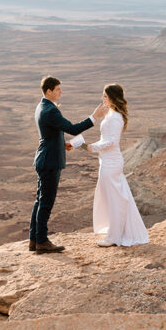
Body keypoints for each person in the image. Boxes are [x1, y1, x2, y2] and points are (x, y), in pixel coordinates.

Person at [30, 76, 106, 254]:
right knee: (46, 203)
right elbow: (72, 128)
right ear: (48, 91)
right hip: (49, 161)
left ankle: (34, 239)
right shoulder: (50, 110)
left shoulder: (42, 106)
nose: (61, 92)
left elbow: (50, 133)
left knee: (39, 201)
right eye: (57, 89)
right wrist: (94, 117)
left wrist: (62, 144)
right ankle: (41, 241)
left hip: (44, 158)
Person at [83, 83, 149, 247]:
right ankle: (116, 231)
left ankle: (114, 237)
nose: (102, 99)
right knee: (113, 197)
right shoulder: (111, 115)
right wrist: (92, 146)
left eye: (104, 96)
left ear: (112, 98)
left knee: (114, 199)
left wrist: (93, 147)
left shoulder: (115, 117)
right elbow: (107, 139)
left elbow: (111, 141)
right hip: (107, 161)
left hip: (111, 163)